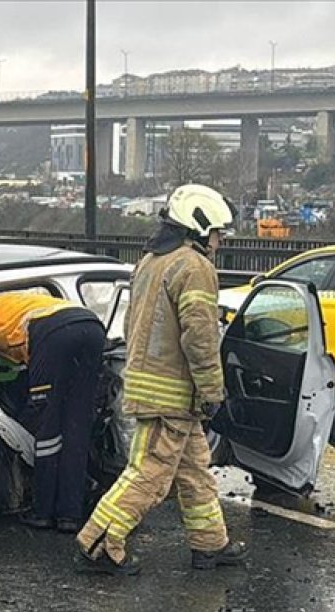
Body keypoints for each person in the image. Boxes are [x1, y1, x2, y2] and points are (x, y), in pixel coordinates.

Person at [75, 183, 246, 575]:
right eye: (218, 233)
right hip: (173, 393)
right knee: (149, 474)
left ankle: (210, 545)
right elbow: (200, 337)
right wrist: (212, 390)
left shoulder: (151, 261)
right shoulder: (194, 266)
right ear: (200, 227)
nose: (220, 242)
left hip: (153, 386)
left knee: (193, 469)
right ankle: (97, 544)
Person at [0, 291, 107, 532]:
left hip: (53, 334)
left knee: (47, 426)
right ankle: (70, 514)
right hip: (92, 328)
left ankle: (42, 512)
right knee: (76, 428)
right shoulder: (24, 302)